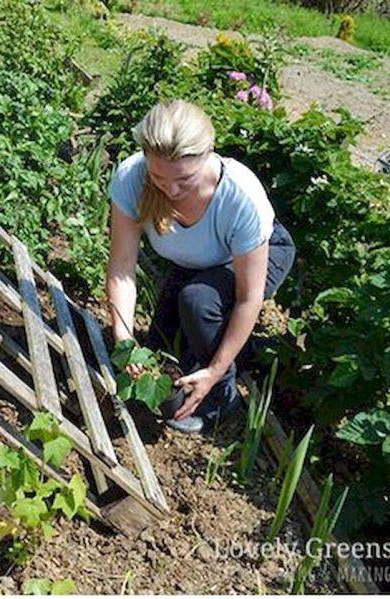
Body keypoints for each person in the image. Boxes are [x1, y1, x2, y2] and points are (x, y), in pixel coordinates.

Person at [106, 98, 296, 435]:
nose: (172, 190)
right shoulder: (132, 180)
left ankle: (223, 399)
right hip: (197, 261)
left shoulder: (240, 198)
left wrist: (214, 371)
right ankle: (249, 349)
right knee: (159, 347)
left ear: (208, 155)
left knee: (198, 302)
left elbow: (247, 298)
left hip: (257, 257)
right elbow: (122, 267)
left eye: (185, 179)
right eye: (160, 177)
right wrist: (124, 340)